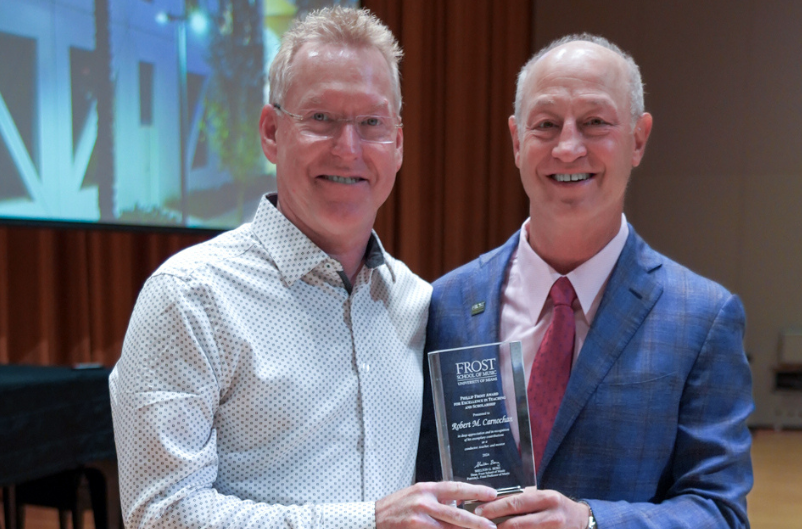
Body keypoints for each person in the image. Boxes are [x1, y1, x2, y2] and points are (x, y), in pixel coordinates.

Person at [110, 7, 497, 529]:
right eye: (321, 119)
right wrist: (367, 523)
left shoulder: (419, 303)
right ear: (271, 132)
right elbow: (162, 513)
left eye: (372, 123)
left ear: (398, 144)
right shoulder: (188, 297)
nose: (349, 148)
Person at [418, 33, 754, 528]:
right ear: (516, 141)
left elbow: (720, 512)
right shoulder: (446, 302)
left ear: (638, 139)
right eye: (546, 125)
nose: (568, 148)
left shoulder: (703, 318)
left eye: (595, 123)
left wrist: (591, 523)